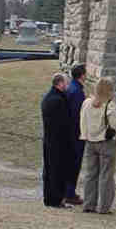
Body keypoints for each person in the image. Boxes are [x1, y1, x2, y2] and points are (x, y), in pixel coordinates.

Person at [79, 77, 116, 214]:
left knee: (91, 174)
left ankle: (89, 203)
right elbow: (114, 125)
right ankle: (104, 206)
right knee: (106, 175)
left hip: (90, 141)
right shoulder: (109, 105)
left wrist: (85, 135)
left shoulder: (87, 103)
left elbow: (82, 121)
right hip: (106, 142)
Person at [41, 72, 75, 208]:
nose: (67, 85)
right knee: (57, 171)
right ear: (60, 83)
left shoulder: (48, 97)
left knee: (49, 170)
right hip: (58, 142)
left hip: (49, 140)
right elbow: (64, 123)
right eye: (66, 82)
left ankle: (49, 198)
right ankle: (56, 199)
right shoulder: (58, 100)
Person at [65, 63, 87, 205]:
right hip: (75, 134)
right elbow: (78, 115)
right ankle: (70, 193)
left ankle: (68, 191)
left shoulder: (71, 88)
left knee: (70, 163)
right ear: (82, 75)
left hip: (70, 132)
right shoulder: (77, 91)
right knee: (74, 164)